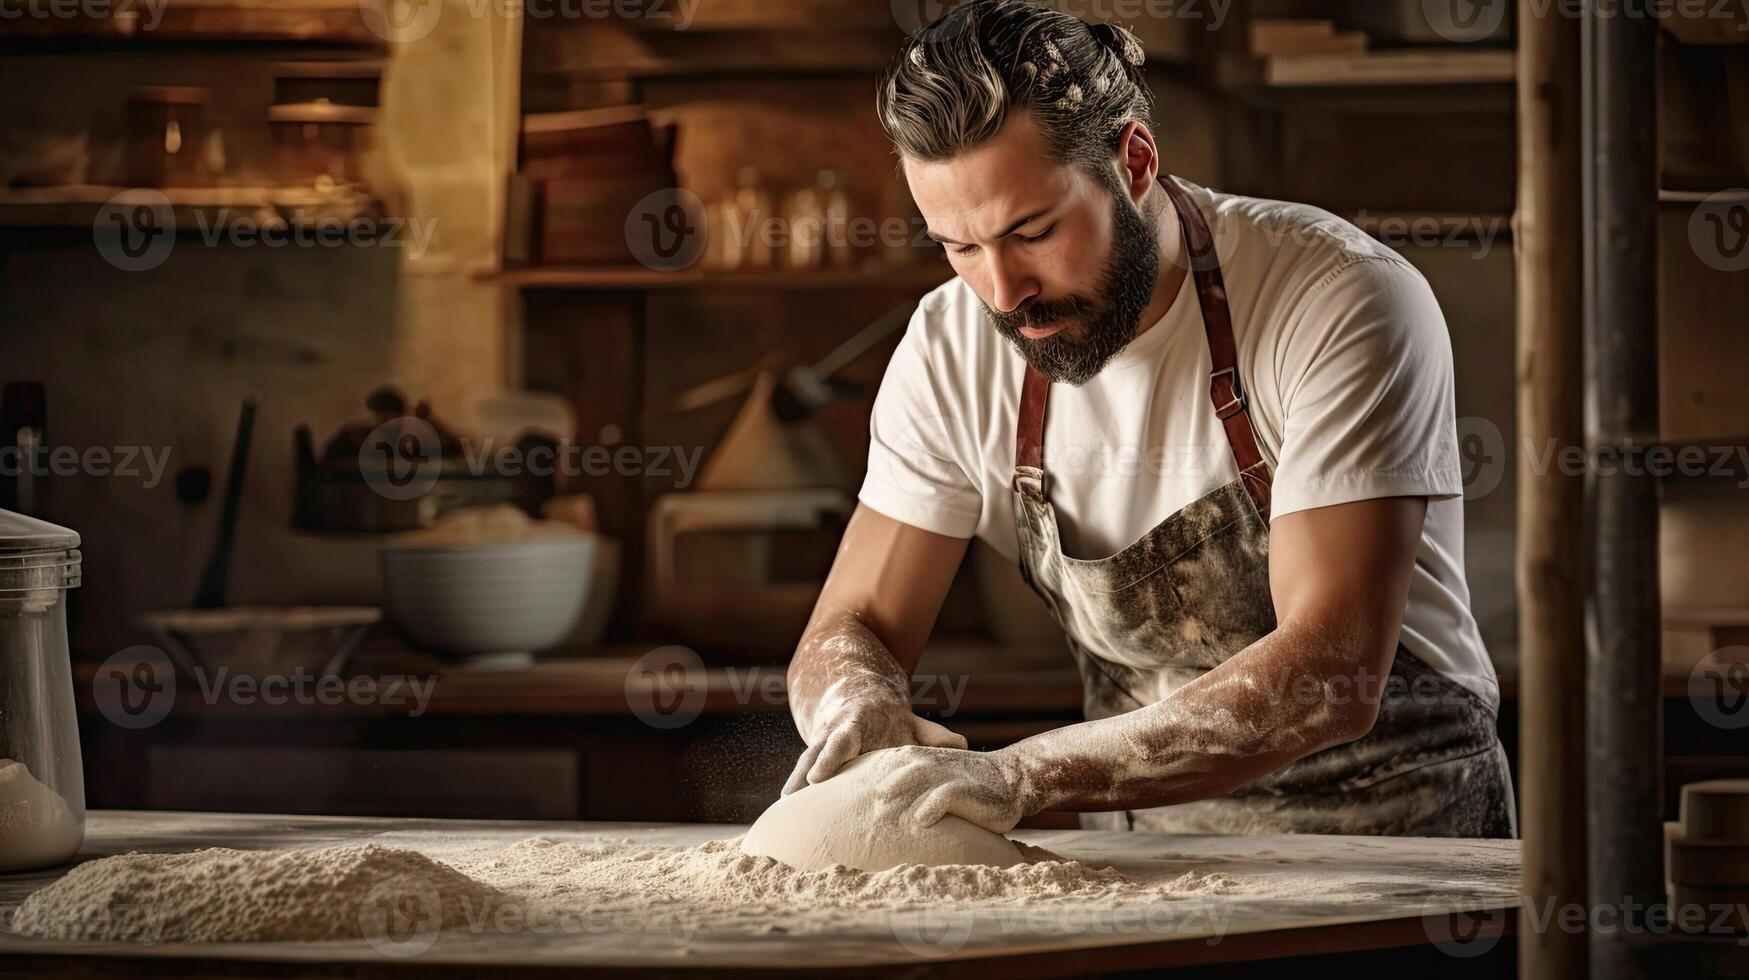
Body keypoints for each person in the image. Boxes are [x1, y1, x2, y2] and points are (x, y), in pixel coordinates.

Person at [782, 0, 1514, 838]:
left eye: (1032, 231)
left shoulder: (1334, 296)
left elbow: (1328, 677)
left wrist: (1015, 776)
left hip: (1396, 849)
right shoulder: (951, 345)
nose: (1002, 292)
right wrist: (861, 703)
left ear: (1133, 160)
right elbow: (852, 626)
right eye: (958, 246)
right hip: (1138, 866)